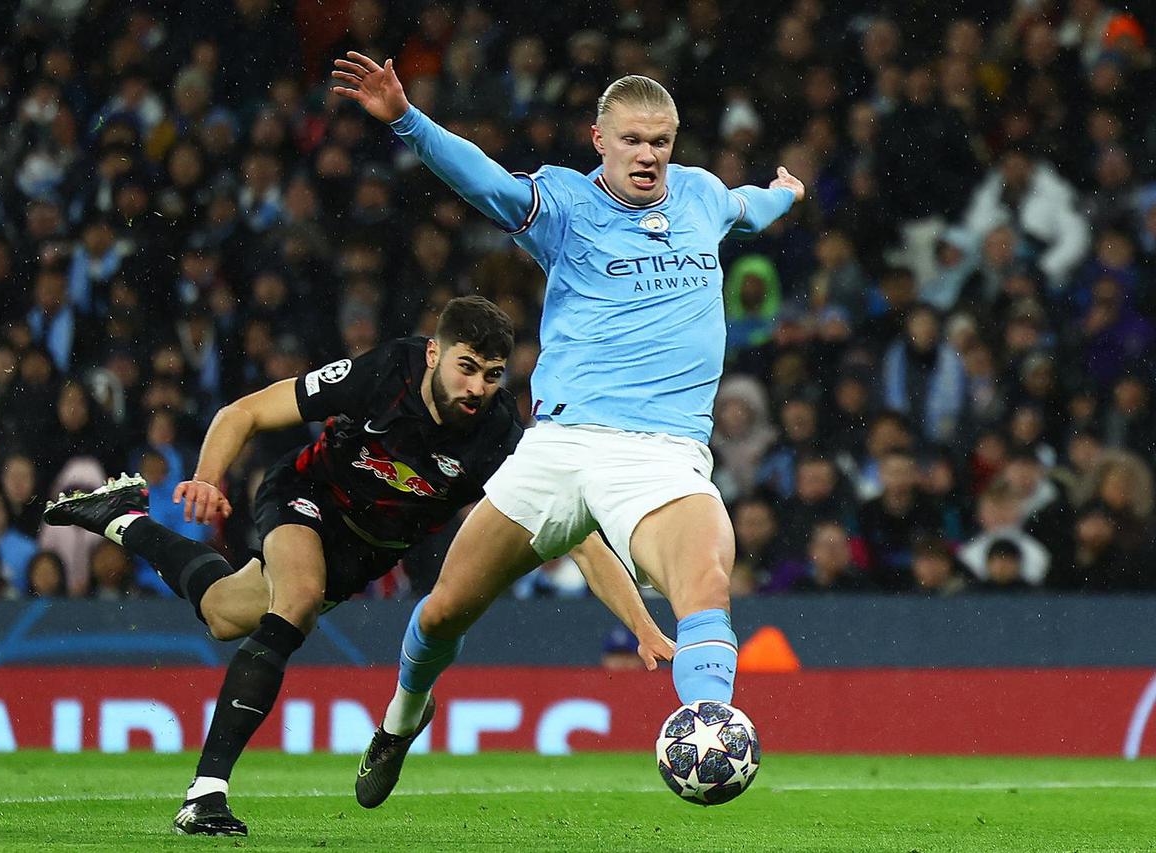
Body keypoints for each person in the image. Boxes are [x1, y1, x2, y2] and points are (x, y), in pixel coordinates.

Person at [330, 53, 802, 807]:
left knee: (705, 581)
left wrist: (784, 193)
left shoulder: (700, 197)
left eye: (662, 141)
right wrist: (408, 121)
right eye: (634, 140)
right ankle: (399, 720)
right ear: (600, 141)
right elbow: (487, 181)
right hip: (557, 446)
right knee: (447, 607)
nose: (649, 155)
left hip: (659, 452)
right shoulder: (564, 205)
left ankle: (709, 718)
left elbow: (749, 205)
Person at [43, 296, 669, 835]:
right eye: (467, 367)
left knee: (225, 613)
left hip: (367, 551)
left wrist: (642, 623)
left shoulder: (500, 435)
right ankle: (205, 795)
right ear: (434, 354)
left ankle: (121, 517)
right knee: (296, 603)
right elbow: (245, 412)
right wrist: (207, 477)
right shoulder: (384, 371)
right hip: (307, 494)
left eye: (493, 375)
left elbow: (581, 539)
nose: (477, 387)